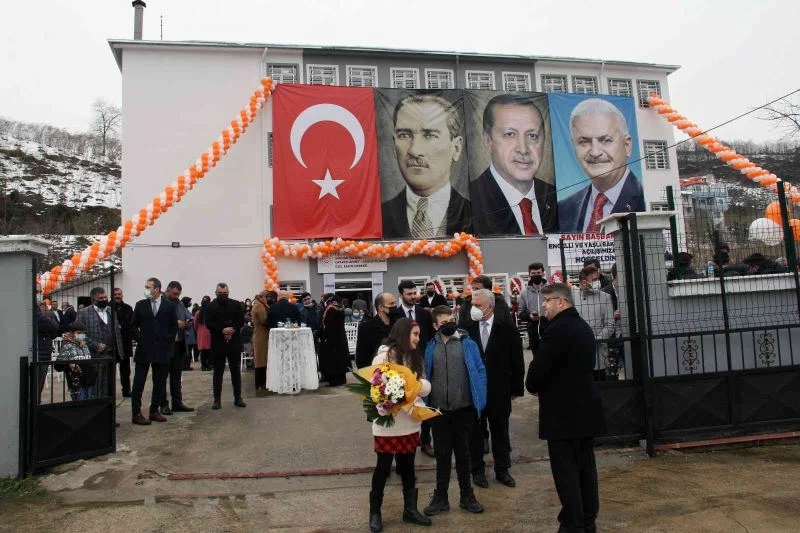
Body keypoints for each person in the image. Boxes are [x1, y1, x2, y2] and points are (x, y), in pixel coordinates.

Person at [525, 283, 606, 533]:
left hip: (563, 415)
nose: (543, 305)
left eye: (547, 300)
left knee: (566, 472)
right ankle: (588, 518)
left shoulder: (557, 330)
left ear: (561, 302)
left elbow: (537, 373)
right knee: (585, 469)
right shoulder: (582, 326)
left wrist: (534, 383)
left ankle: (573, 523)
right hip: (585, 411)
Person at [368, 318, 432, 531]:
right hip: (388, 425)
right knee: (383, 467)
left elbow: (424, 384)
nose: (418, 339)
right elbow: (374, 388)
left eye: (419, 334)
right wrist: (393, 392)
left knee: (408, 467)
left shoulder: (415, 358)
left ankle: (410, 510)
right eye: (415, 334)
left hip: (410, 423)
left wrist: (418, 386)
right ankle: (375, 512)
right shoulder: (383, 357)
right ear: (404, 334)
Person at [423, 305, 487, 516]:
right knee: (442, 455)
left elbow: (480, 371)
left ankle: (467, 496)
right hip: (439, 411)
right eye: (444, 323)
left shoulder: (468, 344)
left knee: (463, 454)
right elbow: (426, 374)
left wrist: (480, 399)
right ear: (435, 326)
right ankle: (441, 497)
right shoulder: (431, 346)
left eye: (451, 320)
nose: (449, 325)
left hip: (464, 409)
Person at [381, 94, 471, 238]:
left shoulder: (477, 213)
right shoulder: (379, 216)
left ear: (456, 148)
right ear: (394, 146)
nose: (414, 150)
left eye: (430, 135)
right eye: (404, 135)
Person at [471, 94, 558, 236]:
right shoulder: (470, 200)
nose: (523, 149)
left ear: (544, 141)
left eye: (532, 136)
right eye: (510, 134)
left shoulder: (557, 198)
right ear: (488, 141)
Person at [466, 290, 525, 489]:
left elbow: (517, 361)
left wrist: (516, 388)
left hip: (499, 390)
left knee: (500, 431)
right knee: (475, 432)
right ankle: (477, 470)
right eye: (473, 305)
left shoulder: (507, 329)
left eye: (478, 305)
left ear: (490, 306)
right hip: (475, 391)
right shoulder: (466, 328)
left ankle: (502, 469)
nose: (474, 309)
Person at [558, 98, 645, 233]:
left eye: (606, 140)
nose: (595, 152)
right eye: (584, 142)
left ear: (627, 145)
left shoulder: (644, 198)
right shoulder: (563, 209)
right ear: (574, 147)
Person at [130, 277, 179, 425]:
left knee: (159, 382)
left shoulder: (169, 306)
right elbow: (133, 326)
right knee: (139, 382)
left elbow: (174, 326)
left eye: (148, 287)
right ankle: (136, 413)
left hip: (161, 350)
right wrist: (140, 339)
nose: (146, 289)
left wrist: (167, 339)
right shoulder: (140, 305)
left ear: (157, 289)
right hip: (144, 349)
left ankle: (154, 410)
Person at [205, 283, 247, 409]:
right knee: (218, 373)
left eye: (225, 293)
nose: (223, 295)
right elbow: (208, 323)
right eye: (220, 294)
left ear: (228, 293)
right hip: (218, 342)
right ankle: (217, 400)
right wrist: (222, 330)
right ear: (215, 293)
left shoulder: (235, 304)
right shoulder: (211, 306)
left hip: (234, 342)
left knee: (235, 371)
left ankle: (238, 398)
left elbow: (241, 320)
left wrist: (232, 330)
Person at [76, 287, 123, 400]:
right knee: (95, 387)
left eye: (105, 297)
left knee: (109, 386)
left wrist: (119, 351)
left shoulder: (111, 311)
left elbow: (117, 332)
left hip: (111, 355)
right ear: (93, 300)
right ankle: (96, 405)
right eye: (101, 298)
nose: (104, 300)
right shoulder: (83, 313)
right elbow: (78, 335)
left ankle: (108, 405)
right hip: (93, 356)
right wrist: (95, 345)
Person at [572, 266, 615, 382]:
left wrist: (595, 340)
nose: (598, 282)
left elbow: (610, 325)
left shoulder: (605, 297)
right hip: (577, 352)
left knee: (599, 385)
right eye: (594, 279)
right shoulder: (572, 297)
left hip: (598, 353)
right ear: (583, 282)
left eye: (598, 279)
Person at [161, 281, 193, 414]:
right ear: (168, 290)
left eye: (178, 294)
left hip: (179, 343)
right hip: (165, 345)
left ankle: (177, 402)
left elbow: (188, 316)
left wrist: (188, 323)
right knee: (162, 377)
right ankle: (163, 404)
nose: (176, 296)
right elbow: (158, 322)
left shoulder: (179, 304)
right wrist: (175, 324)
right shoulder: (160, 303)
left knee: (176, 376)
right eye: (174, 294)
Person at [55, 322, 97, 401]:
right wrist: (69, 364)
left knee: (89, 403)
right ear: (71, 333)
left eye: (83, 333)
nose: (81, 335)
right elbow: (58, 366)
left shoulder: (85, 346)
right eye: (79, 333)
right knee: (79, 403)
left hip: (89, 381)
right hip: (76, 384)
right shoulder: (67, 346)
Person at [355, 292, 396, 369]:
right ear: (381, 307)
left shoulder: (398, 324)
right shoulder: (366, 328)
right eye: (391, 304)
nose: (394, 306)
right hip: (376, 371)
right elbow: (361, 358)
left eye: (395, 303)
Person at [318, 294, 350, 386]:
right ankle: (342, 379)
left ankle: (334, 381)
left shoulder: (330, 309)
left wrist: (322, 335)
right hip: (340, 337)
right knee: (340, 359)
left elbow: (328, 326)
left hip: (331, 339)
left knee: (333, 360)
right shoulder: (341, 308)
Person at [518, 262, 548, 356]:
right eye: (533, 273)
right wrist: (529, 316)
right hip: (533, 329)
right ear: (529, 275)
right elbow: (520, 312)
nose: (536, 275)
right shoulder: (524, 293)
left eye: (538, 273)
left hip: (549, 326)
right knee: (537, 357)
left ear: (543, 274)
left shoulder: (550, 290)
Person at [112, 288, 135, 397]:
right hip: (113, 343)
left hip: (125, 342)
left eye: (119, 294)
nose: (117, 296)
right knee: (111, 370)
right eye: (115, 294)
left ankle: (126, 390)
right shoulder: (108, 308)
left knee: (125, 370)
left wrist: (122, 327)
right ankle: (110, 392)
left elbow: (132, 324)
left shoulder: (128, 308)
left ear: (122, 295)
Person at [36, 301, 60, 396]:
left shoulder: (50, 314)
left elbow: (55, 329)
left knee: (37, 387)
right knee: (36, 387)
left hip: (44, 351)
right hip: (40, 354)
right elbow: (54, 326)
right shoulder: (38, 315)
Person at [251, 291, 271, 394]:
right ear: (262, 297)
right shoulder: (259, 306)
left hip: (262, 335)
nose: (268, 299)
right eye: (267, 297)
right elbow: (264, 320)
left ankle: (262, 383)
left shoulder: (261, 305)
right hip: (260, 335)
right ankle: (259, 383)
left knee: (262, 359)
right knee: (260, 360)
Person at [195, 295, 212, 371]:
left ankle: (203, 366)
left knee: (202, 351)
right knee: (209, 350)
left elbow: (195, 324)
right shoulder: (211, 312)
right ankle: (209, 365)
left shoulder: (198, 313)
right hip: (209, 332)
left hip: (201, 333)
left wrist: (198, 330)